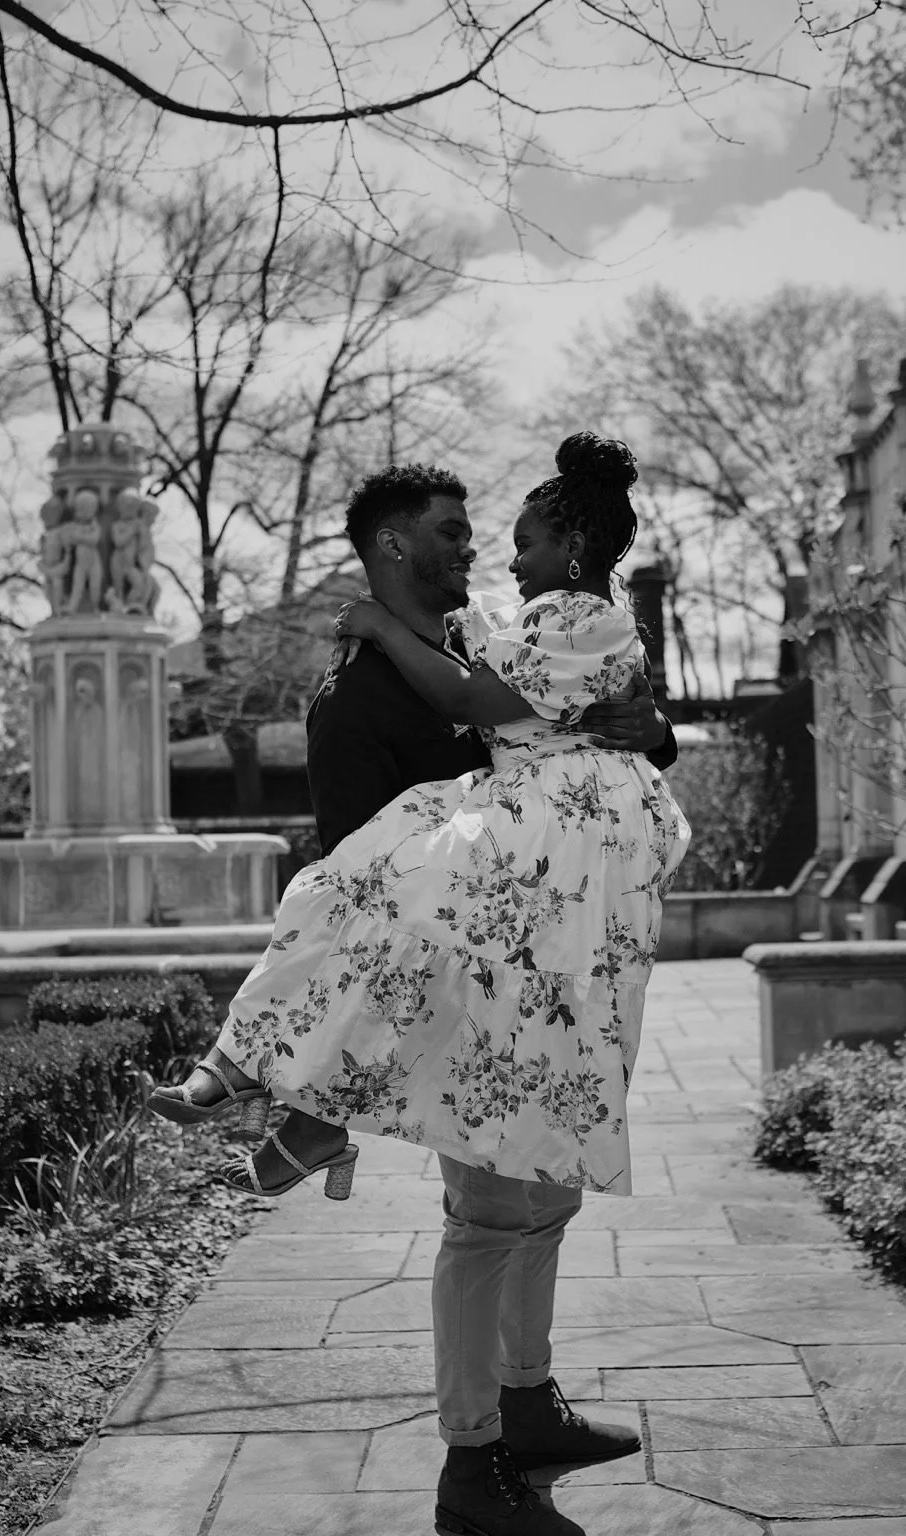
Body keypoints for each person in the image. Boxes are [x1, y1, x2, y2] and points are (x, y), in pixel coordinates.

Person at [149, 441, 686, 1536]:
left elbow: (591, 718)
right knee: (491, 1215)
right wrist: (359, 1059)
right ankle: (471, 1466)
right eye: (454, 533)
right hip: (466, 999)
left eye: (490, 534)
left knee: (548, 1194)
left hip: (545, 974)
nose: (478, 550)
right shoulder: (357, 698)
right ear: (393, 546)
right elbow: (354, 885)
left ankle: (526, 1404)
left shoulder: (489, 635)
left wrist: (654, 729)